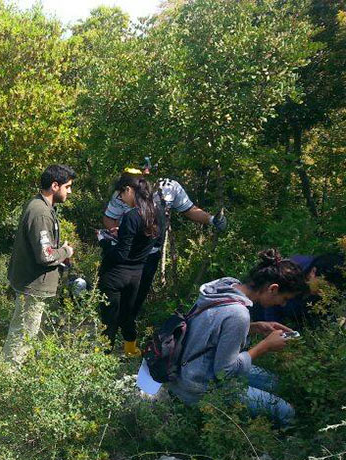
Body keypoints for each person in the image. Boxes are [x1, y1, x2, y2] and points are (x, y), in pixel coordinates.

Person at [166, 249, 308, 427]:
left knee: (275, 382)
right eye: (284, 298)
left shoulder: (225, 286)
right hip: (198, 388)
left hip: (184, 371)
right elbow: (225, 372)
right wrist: (265, 346)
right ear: (273, 288)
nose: (283, 304)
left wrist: (253, 328)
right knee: (287, 412)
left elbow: (213, 329)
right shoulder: (238, 314)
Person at [102, 159, 227, 327]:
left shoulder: (169, 187)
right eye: (142, 168)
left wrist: (211, 220)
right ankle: (111, 330)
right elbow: (109, 218)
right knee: (117, 298)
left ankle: (126, 330)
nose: (146, 171)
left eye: (148, 167)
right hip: (128, 253)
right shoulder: (125, 191)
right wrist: (119, 235)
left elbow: (189, 209)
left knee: (137, 297)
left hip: (151, 254)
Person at [3, 164, 76, 364]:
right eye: (67, 187)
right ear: (55, 185)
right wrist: (66, 251)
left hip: (32, 283)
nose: (70, 191)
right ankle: (8, 376)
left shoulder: (39, 206)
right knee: (22, 336)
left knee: (27, 332)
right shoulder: (41, 212)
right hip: (33, 286)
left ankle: (18, 372)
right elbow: (45, 256)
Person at [98, 173, 163, 355]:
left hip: (115, 275)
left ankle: (103, 356)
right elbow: (154, 241)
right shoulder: (156, 212)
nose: (121, 198)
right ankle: (131, 350)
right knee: (128, 314)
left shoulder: (132, 216)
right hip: (137, 274)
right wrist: (123, 233)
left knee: (109, 318)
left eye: (121, 194)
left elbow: (121, 254)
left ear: (128, 190)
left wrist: (104, 241)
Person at [251, 252, 345, 325]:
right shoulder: (291, 271)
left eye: (328, 291)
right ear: (313, 272)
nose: (323, 293)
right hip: (261, 309)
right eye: (321, 287)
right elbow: (271, 302)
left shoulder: (335, 286)